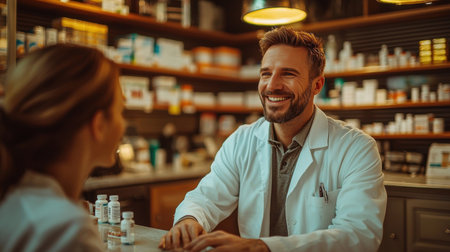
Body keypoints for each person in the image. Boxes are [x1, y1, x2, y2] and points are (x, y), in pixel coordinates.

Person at [159, 27, 387, 252]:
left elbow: (359, 236)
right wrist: (189, 219)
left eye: (288, 73)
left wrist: (262, 247)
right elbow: (207, 197)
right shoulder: (242, 141)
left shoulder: (356, 148)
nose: (272, 85)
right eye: (266, 73)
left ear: (317, 84)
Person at [0, 44, 125, 251]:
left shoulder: (15, 195)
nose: (124, 124)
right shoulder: (66, 231)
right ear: (99, 125)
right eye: (121, 110)